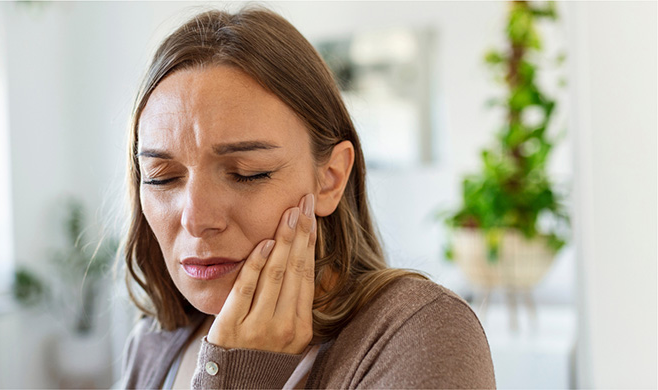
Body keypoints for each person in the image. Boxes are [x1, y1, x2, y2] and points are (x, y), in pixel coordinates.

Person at [116, 6, 495, 389]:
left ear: (331, 179)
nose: (196, 219)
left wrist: (236, 376)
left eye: (247, 173)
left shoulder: (420, 332)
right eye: (162, 178)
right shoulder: (154, 341)